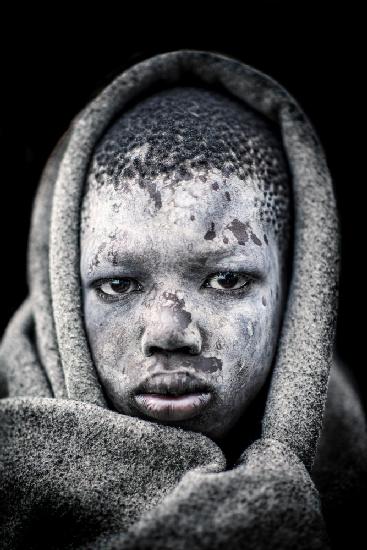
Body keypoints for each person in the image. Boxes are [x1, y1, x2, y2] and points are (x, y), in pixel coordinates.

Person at [0, 50, 366, 550]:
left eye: (226, 280)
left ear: (300, 290)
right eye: (119, 284)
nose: (169, 332)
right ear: (63, 288)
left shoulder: (354, 463)